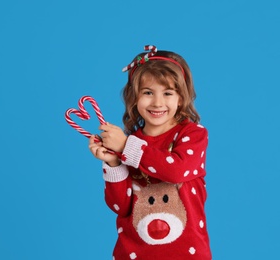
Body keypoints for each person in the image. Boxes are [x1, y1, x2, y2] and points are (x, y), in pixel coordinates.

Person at [89, 45, 212, 259]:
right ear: (134, 97)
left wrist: (125, 147)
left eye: (167, 93)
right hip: (134, 253)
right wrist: (113, 163)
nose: (157, 102)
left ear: (181, 98)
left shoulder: (192, 135)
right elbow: (121, 205)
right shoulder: (131, 142)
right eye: (148, 92)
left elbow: (176, 171)